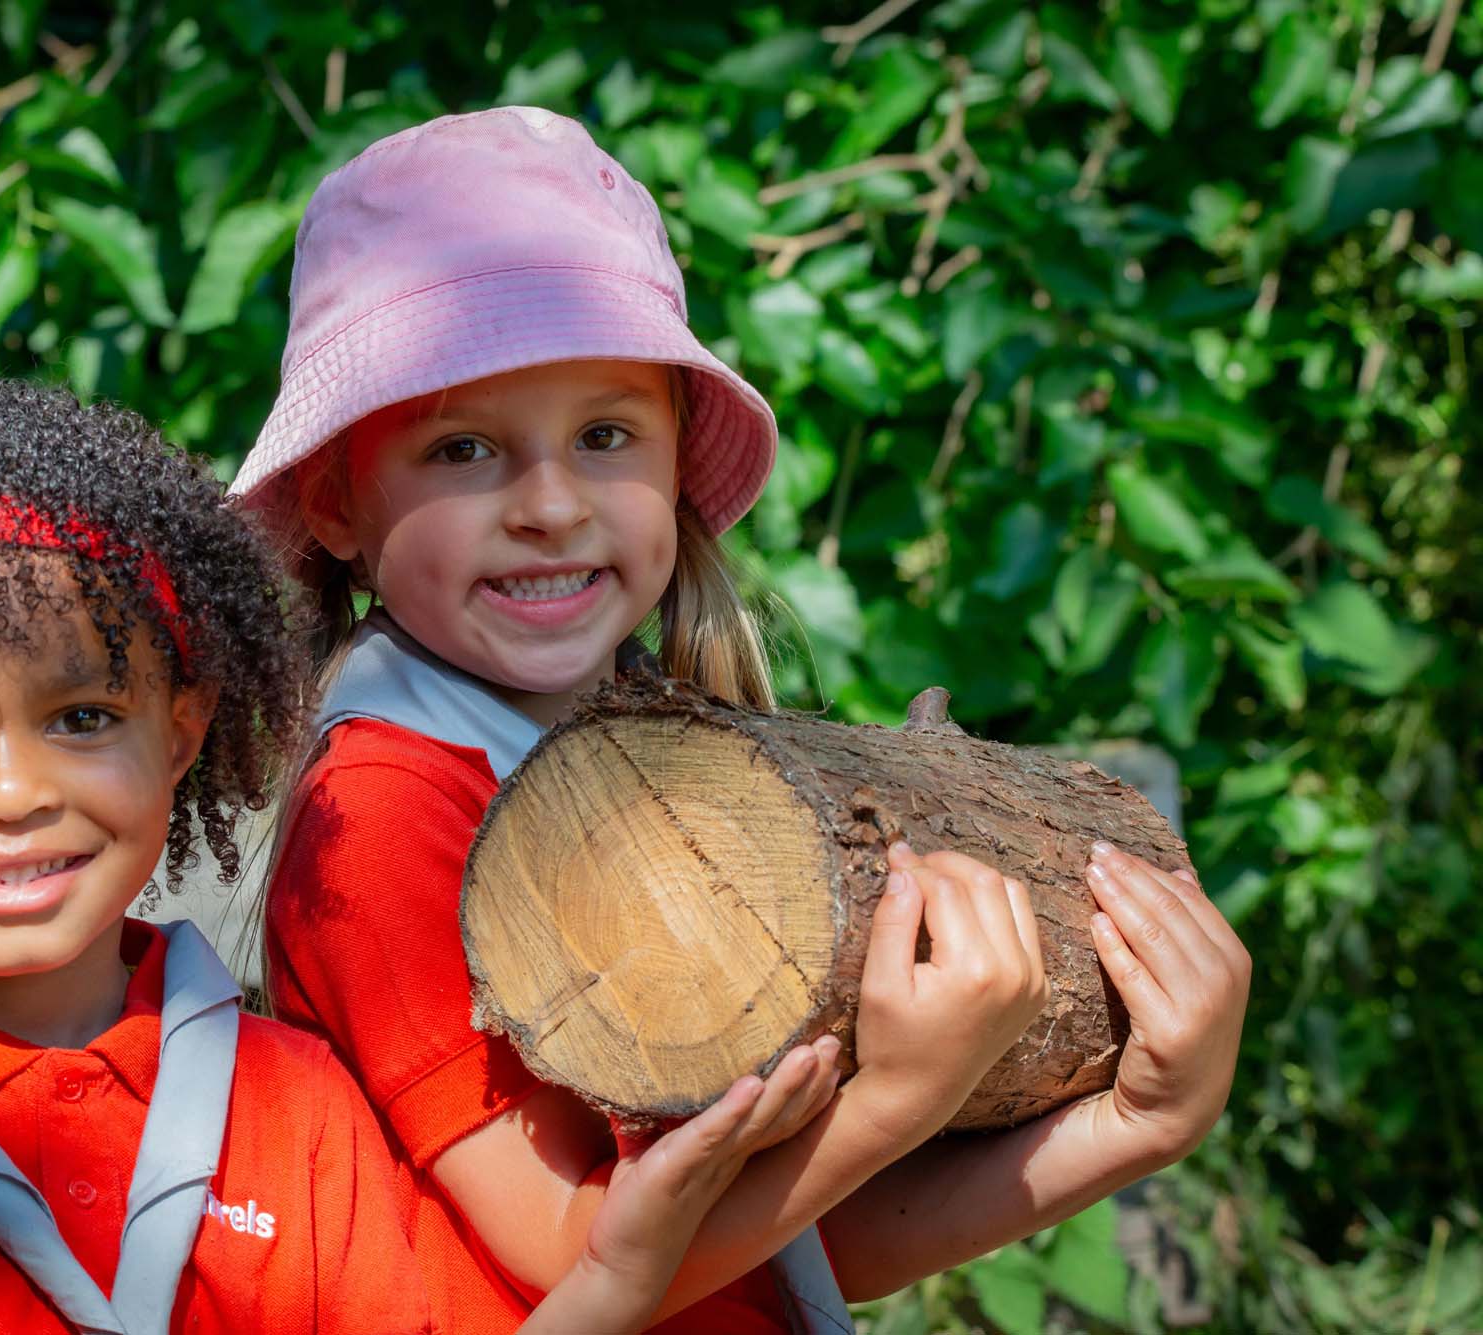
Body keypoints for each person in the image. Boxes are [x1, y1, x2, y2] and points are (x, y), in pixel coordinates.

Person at [232, 106, 1252, 1332]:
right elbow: (573, 1256)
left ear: (672, 461)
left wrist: (1136, 1121)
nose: (550, 504)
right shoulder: (385, 813)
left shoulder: (678, 765)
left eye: (603, 435)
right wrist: (895, 1100)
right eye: (461, 450)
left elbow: (793, 1244)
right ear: (336, 505)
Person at [0, 381, 845, 1335]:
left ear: (180, 735)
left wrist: (618, 1269)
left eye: (79, 717)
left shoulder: (293, 1108)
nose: (9, 793)